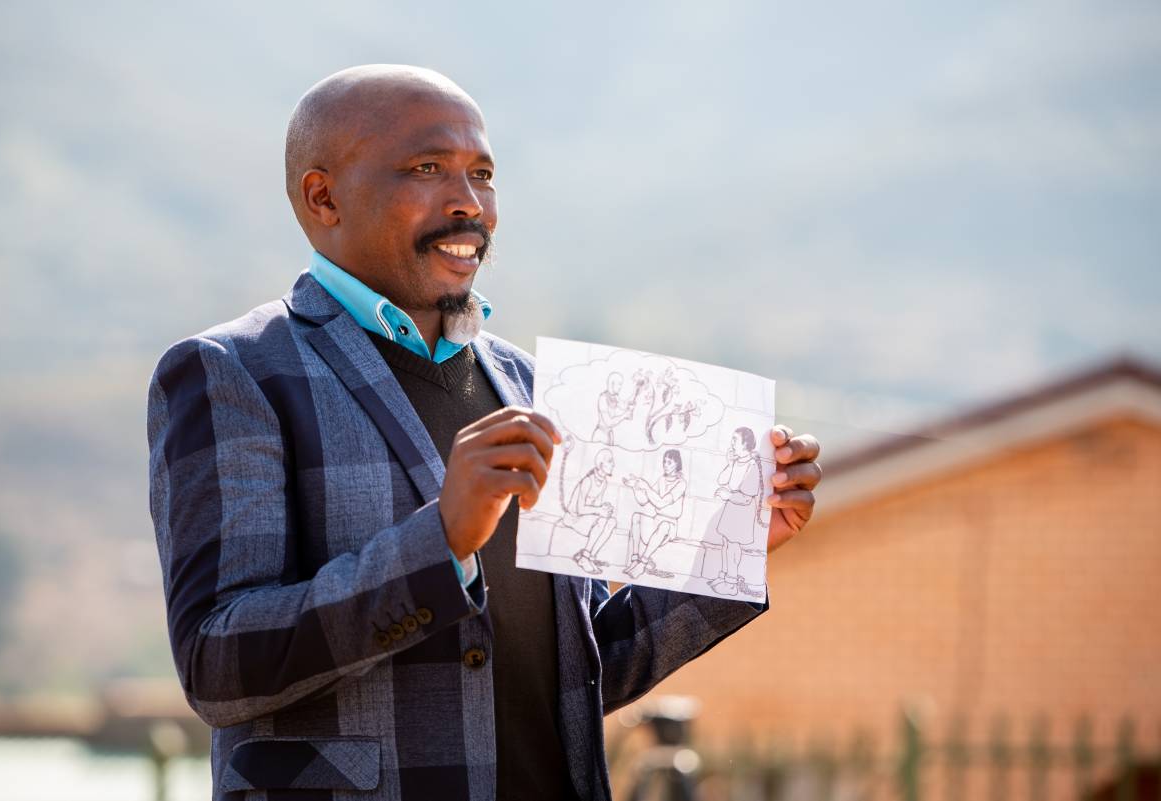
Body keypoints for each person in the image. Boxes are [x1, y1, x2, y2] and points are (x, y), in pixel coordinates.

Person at [146, 64, 822, 801]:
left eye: (483, 174)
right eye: (427, 168)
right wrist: (439, 542)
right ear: (323, 197)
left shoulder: (532, 386)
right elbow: (218, 665)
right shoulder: (232, 371)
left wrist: (729, 549)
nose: (469, 202)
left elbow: (580, 671)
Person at [708, 427, 766, 596]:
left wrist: (728, 495)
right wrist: (729, 462)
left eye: (735, 440)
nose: (732, 443)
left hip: (742, 513)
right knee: (726, 543)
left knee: (733, 546)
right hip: (731, 510)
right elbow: (722, 480)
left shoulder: (752, 465)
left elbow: (747, 498)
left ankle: (732, 583)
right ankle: (724, 576)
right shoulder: (736, 462)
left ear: (745, 444)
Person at [624, 449, 688, 579]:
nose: (665, 465)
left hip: (669, 525)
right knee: (636, 516)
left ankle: (643, 563)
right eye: (664, 461)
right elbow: (643, 500)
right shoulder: (661, 480)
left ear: (677, 464)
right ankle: (635, 559)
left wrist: (646, 487)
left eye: (669, 462)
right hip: (655, 521)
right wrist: (635, 487)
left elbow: (661, 503)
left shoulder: (681, 483)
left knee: (664, 525)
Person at [568, 448, 619, 574]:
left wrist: (604, 508)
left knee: (612, 521)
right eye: (610, 461)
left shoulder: (603, 482)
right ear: (601, 465)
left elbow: (596, 506)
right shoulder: (588, 481)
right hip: (574, 517)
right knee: (602, 520)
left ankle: (590, 556)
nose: (613, 464)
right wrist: (599, 511)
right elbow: (580, 509)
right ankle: (584, 558)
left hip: (587, 517)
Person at [591, 372, 633, 444]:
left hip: (609, 435)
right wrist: (624, 416)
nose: (620, 387)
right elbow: (608, 422)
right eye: (619, 384)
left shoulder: (615, 396)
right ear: (612, 384)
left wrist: (635, 393)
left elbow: (624, 406)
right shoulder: (603, 398)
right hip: (601, 435)